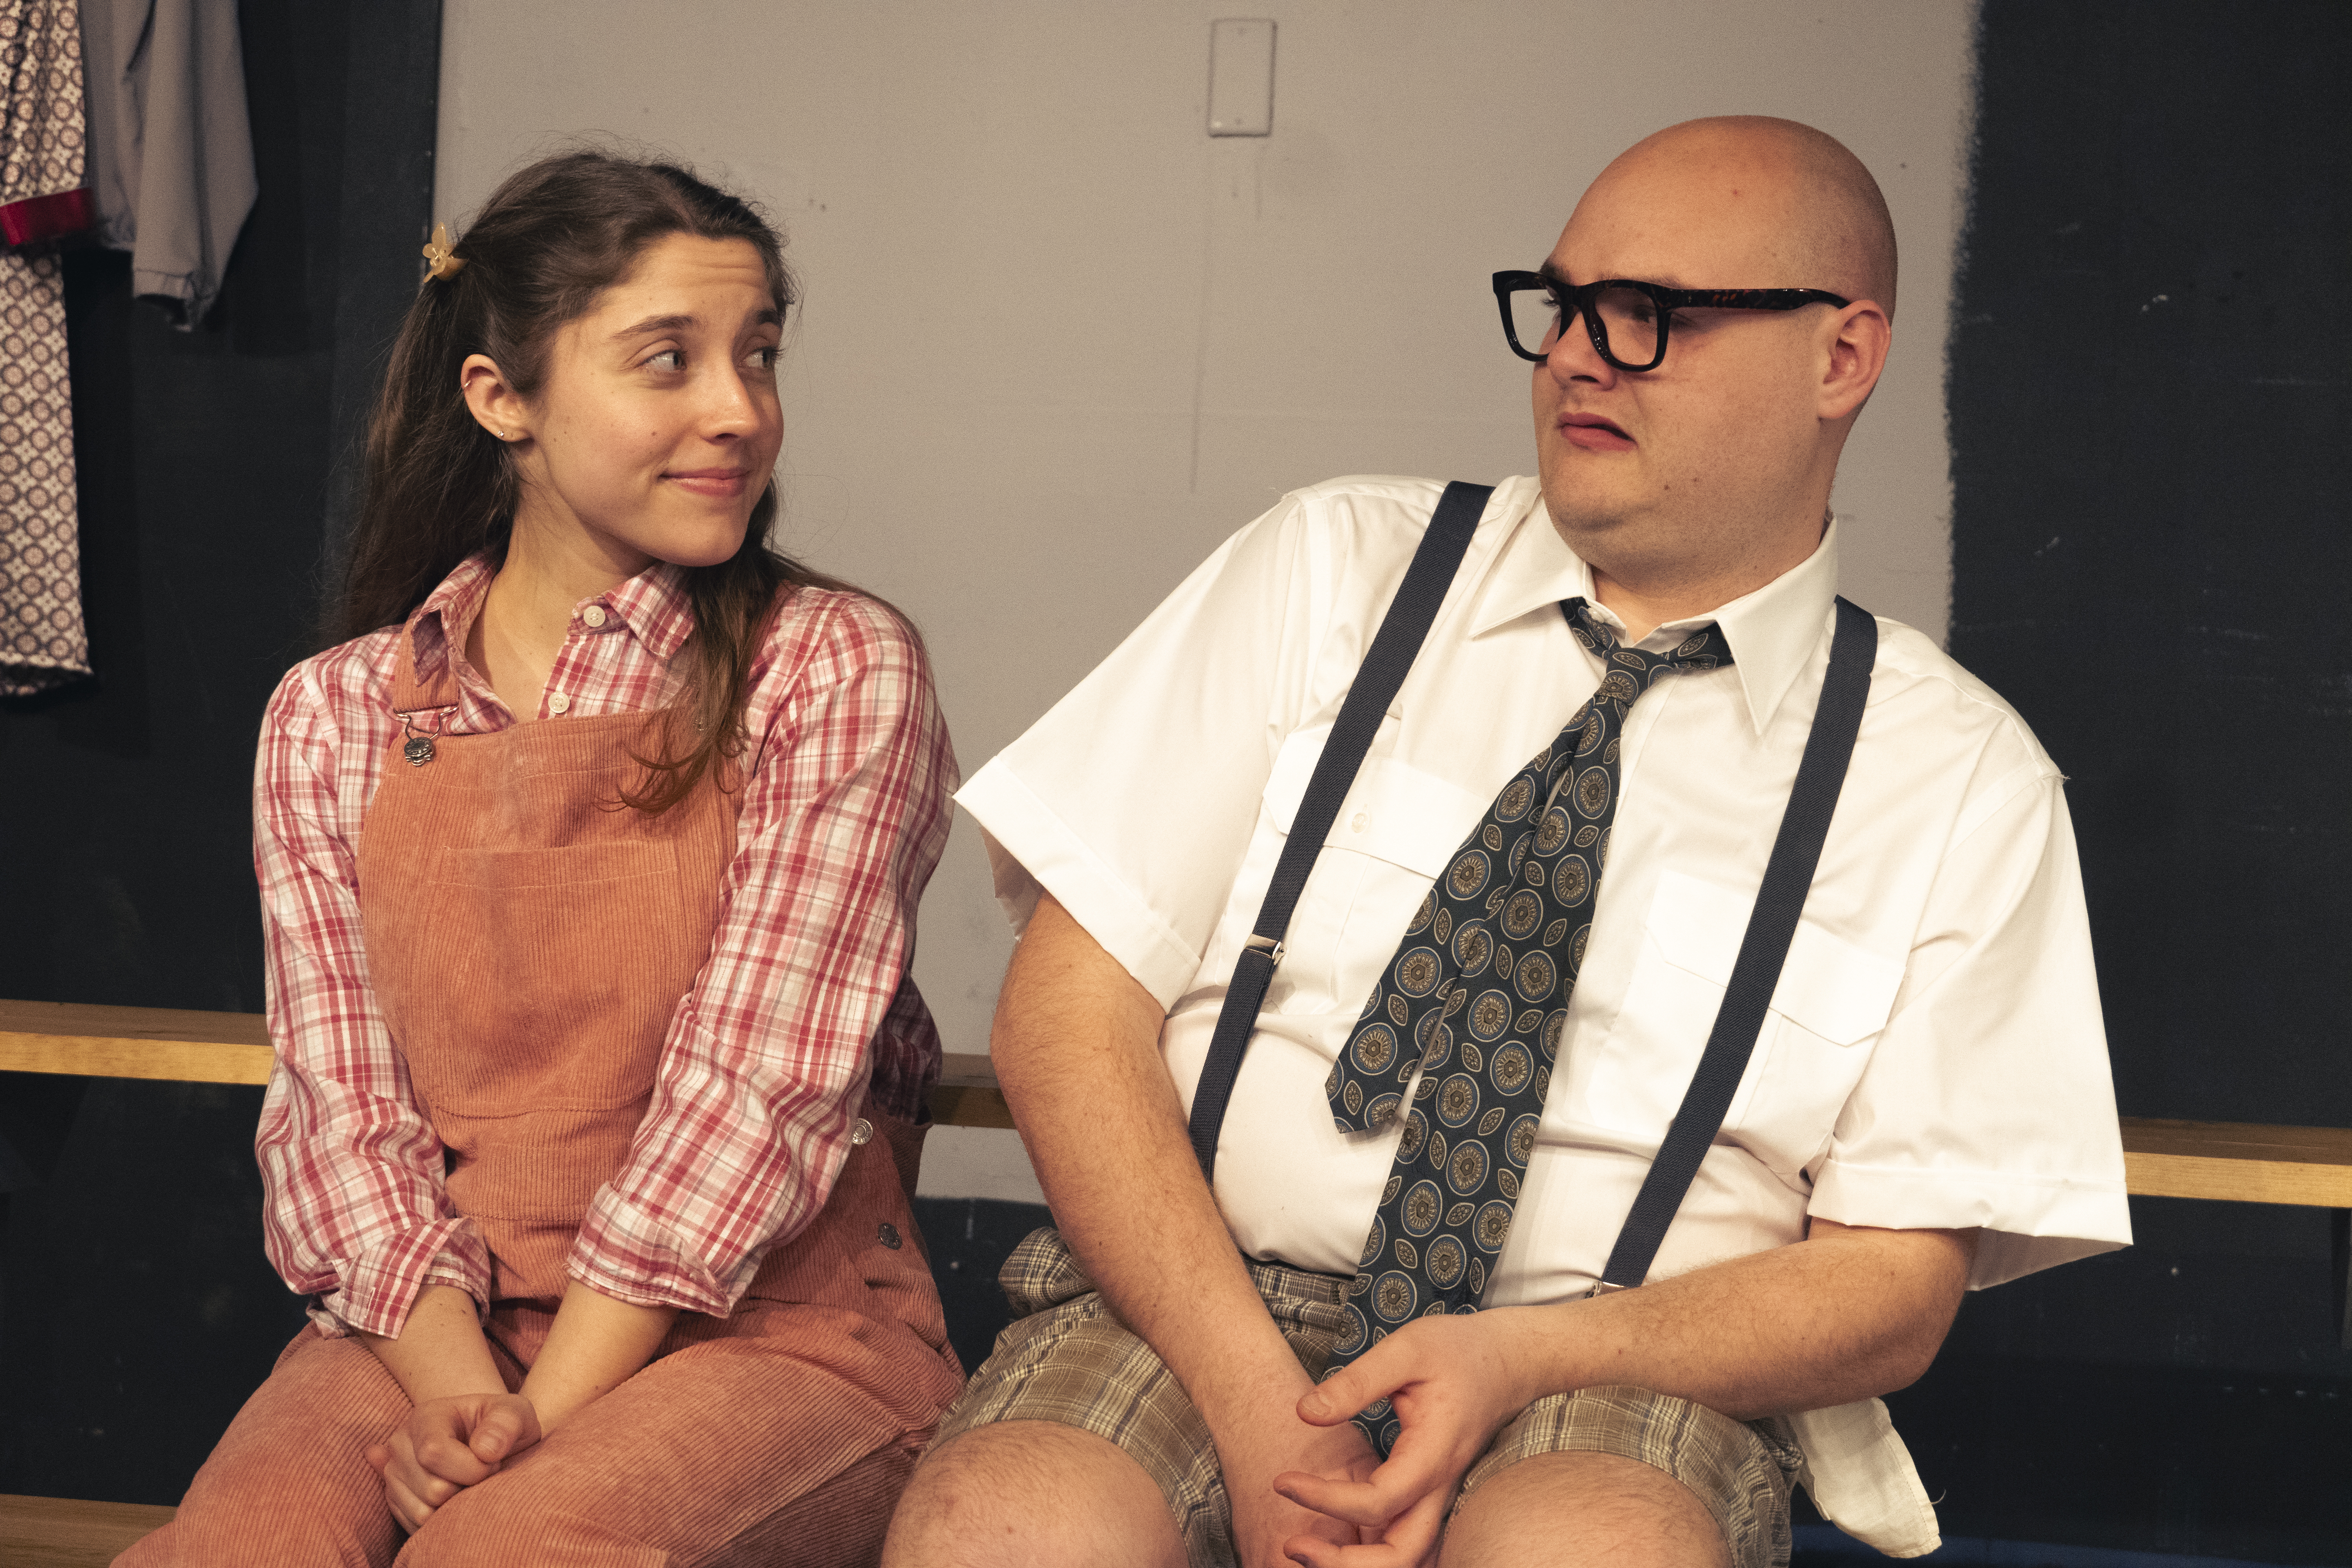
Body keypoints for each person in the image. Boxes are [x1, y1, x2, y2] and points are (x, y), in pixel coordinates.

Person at [881, 116, 2130, 1568]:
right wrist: (1252, 1397)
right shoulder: (1335, 567)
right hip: (1204, 1298)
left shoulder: (1962, 777)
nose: (1582, 356)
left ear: (1842, 358)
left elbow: (1895, 1285)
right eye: (1564, 304)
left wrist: (1521, 1361)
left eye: (1653, 315)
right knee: (1005, 1531)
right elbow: (1068, 1010)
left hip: (1614, 1361)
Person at [123, 150, 963, 1566]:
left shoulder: (825, 666)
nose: (738, 413)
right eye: (668, 361)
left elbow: (756, 1088)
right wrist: (460, 1391)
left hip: (773, 1331)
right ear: (499, 397)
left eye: (759, 357)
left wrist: (533, 1428)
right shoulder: (334, 712)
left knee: (502, 1555)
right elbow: (340, 1109)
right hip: (434, 1326)